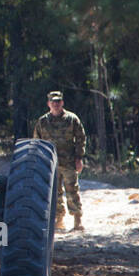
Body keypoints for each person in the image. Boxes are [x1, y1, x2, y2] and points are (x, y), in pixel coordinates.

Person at [33, 90, 86, 232]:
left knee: (72, 190)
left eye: (58, 101)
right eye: (53, 102)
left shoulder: (71, 119)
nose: (55, 104)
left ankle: (77, 221)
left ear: (62, 102)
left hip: (69, 162)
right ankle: (59, 220)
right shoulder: (42, 122)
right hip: (50, 164)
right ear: (48, 104)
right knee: (54, 193)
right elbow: (37, 143)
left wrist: (79, 158)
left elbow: (81, 139)